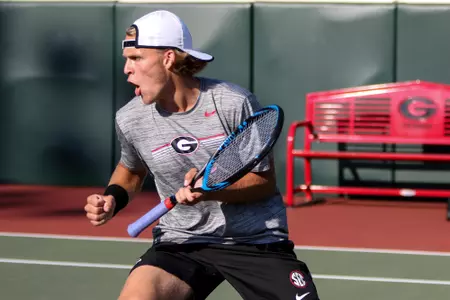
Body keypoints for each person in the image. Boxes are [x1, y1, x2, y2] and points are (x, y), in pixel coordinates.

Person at [84, 10, 320, 300]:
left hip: (255, 241)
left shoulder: (232, 102)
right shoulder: (130, 118)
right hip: (181, 243)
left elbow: (263, 182)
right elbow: (131, 170)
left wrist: (208, 192)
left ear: (168, 58)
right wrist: (112, 199)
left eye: (136, 58)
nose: (126, 69)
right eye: (127, 60)